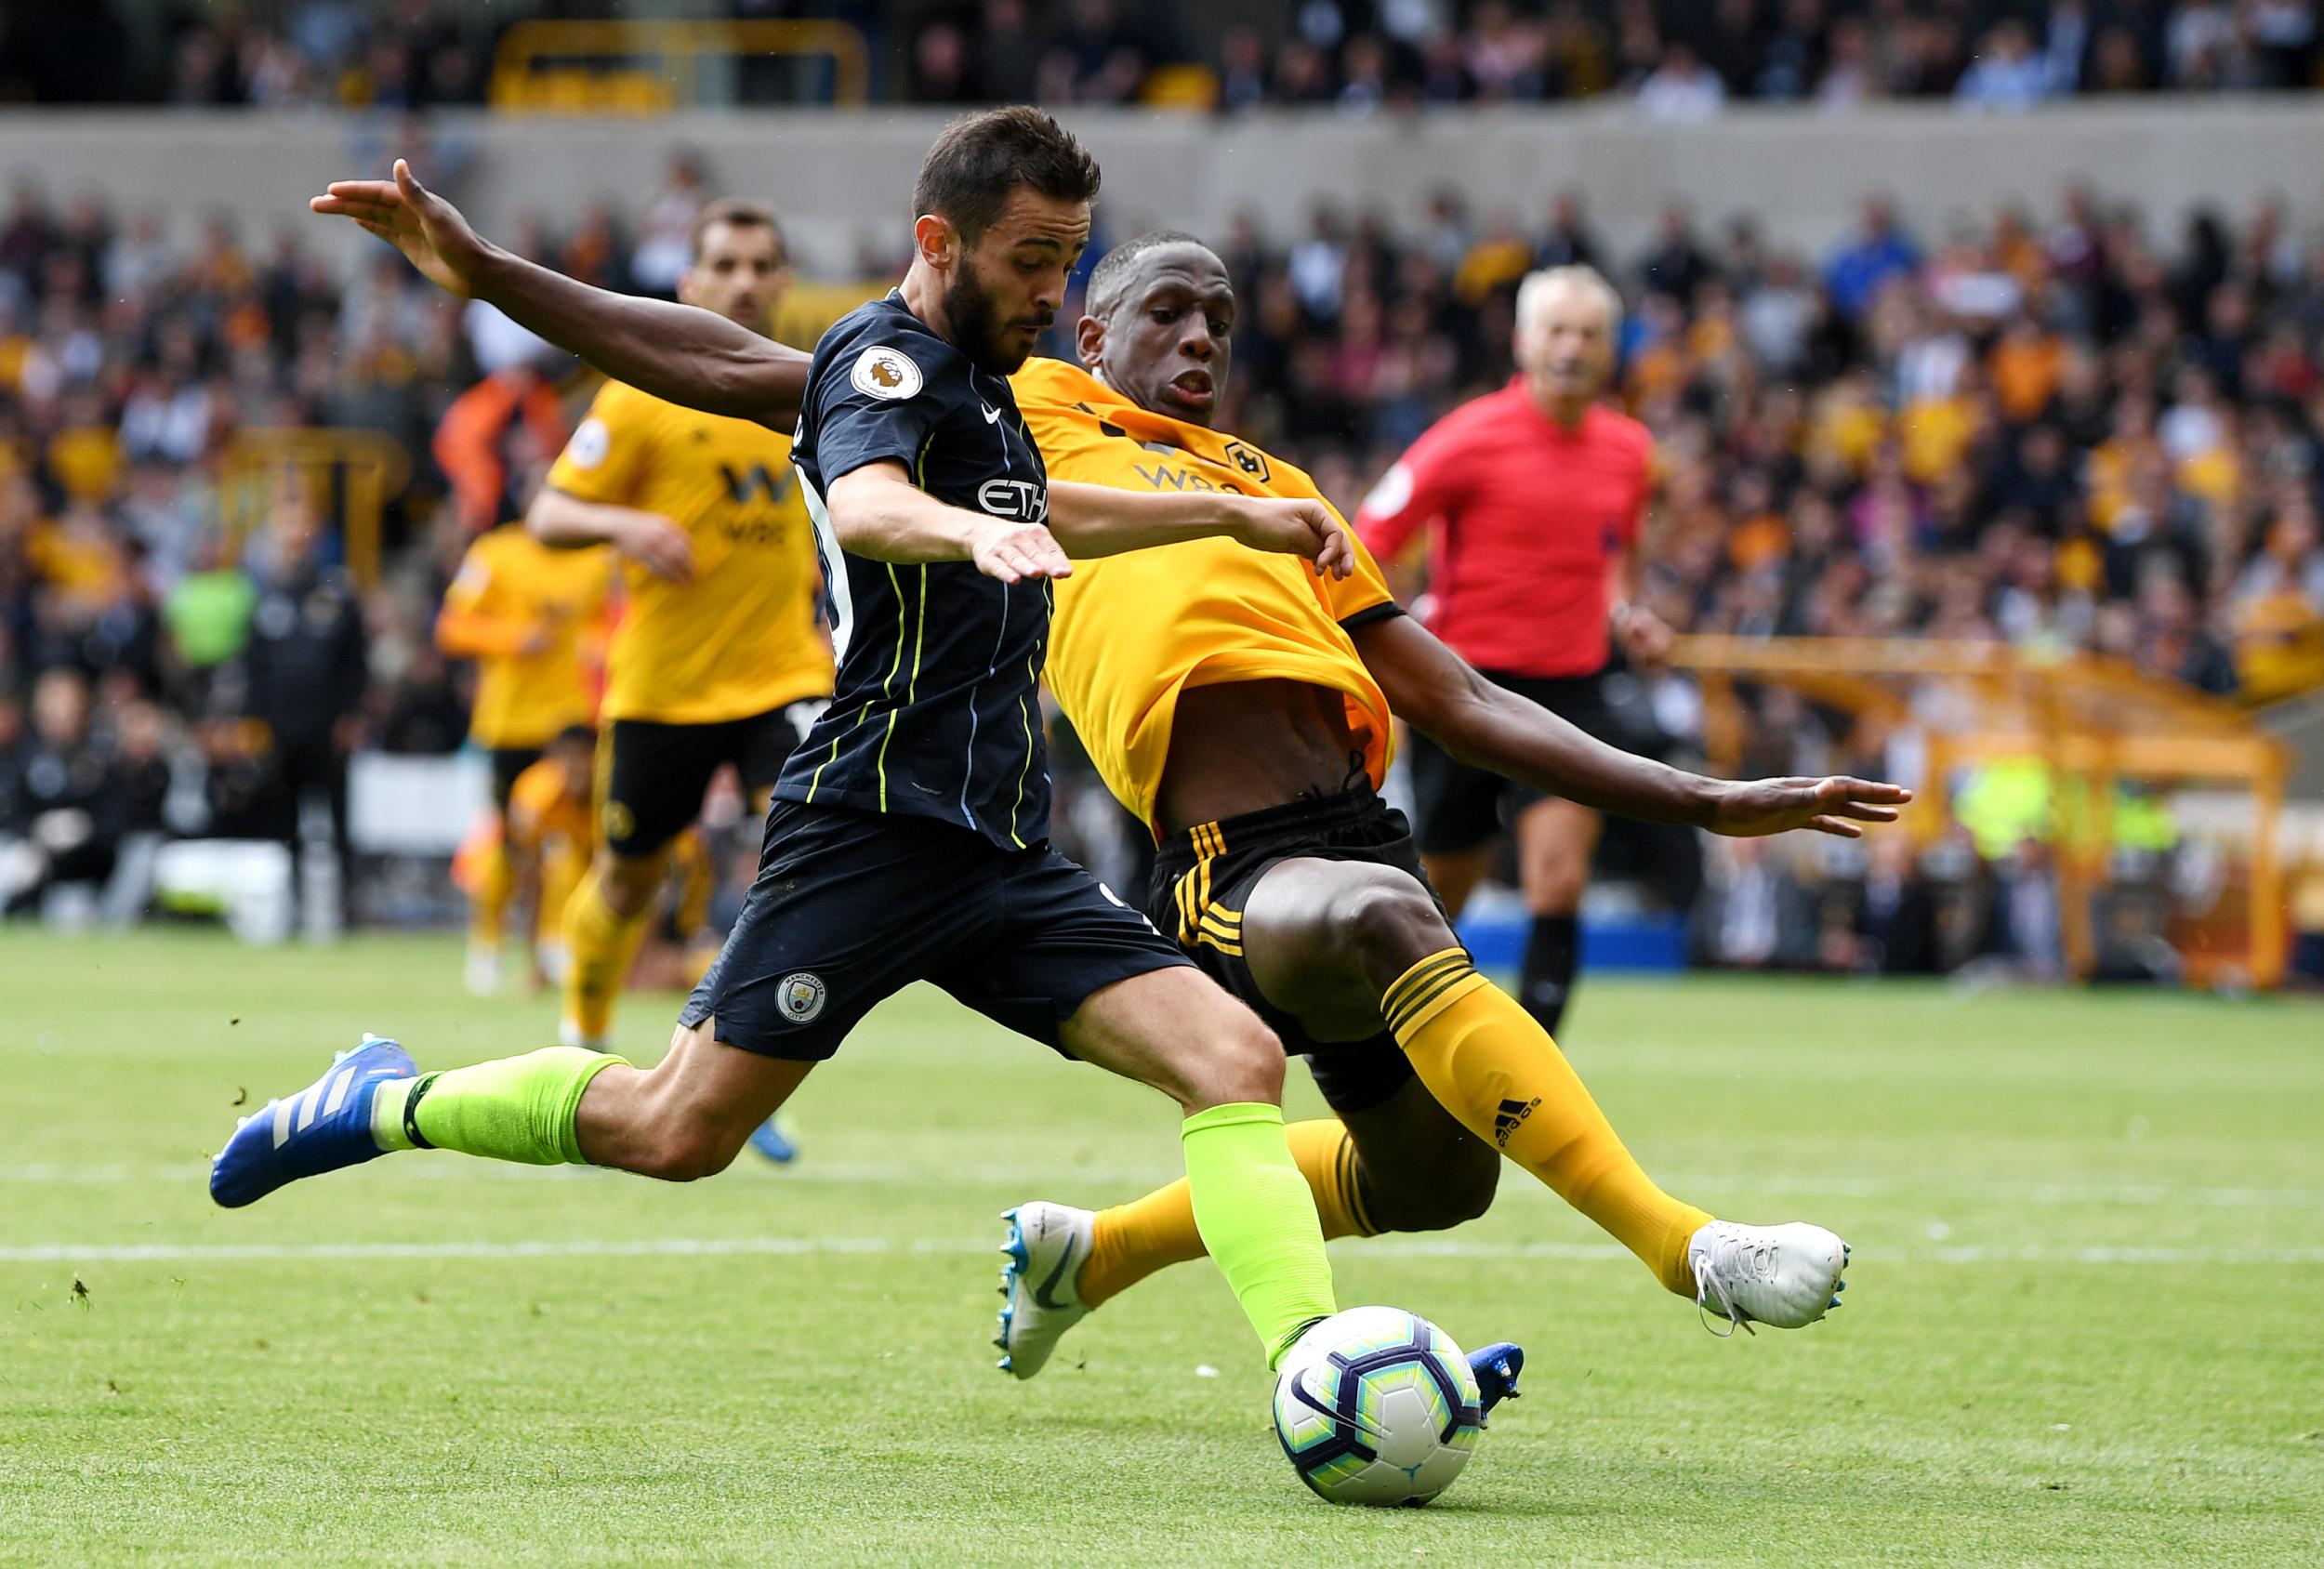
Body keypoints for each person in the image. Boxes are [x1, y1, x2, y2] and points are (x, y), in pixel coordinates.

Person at [223, 111, 1524, 1400]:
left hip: (1003, 849)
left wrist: (1221, 516)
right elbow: (869, 501)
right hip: (874, 824)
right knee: (677, 1130)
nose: (1052, 290)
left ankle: (1311, 1366)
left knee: (1232, 1059)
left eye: (1069, 260)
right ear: (937, 242)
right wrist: (965, 537)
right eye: (1030, 260)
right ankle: (384, 1100)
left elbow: (895, 438)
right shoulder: (886, 365)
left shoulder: (987, 385)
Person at [990, 233, 1903, 1373]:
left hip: (1357, 837)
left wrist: (1706, 800)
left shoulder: (1276, 487)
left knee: (1437, 1180)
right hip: (1226, 866)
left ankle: (1090, 1251)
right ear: (1089, 335)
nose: (1198, 338)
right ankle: (1687, 1246)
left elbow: (1459, 695)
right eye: (1167, 311)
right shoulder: (1027, 414)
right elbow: (833, 382)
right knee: (1385, 913)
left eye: (1218, 320)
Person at [523, 198, 832, 1063]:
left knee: (810, 851)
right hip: (663, 688)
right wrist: (625, 528)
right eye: (725, 265)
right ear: (688, 281)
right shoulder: (638, 398)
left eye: (760, 265)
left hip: (784, 676)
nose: (744, 280)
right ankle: (580, 1045)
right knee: (627, 880)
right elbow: (546, 514)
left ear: (782, 282)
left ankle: (730, 1054)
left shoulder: (816, 393)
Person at [1354, 265, 1666, 1043]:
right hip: (1463, 690)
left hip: (1572, 689)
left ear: (1610, 350)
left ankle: (1528, 1081)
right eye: (1557, 331)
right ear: (1524, 342)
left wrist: (1627, 610)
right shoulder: (1468, 436)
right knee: (1442, 893)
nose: (1573, 347)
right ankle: (1404, 1050)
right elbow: (1373, 533)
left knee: (1558, 884)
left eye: (1589, 333)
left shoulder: (1629, 450)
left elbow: (1617, 554)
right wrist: (1393, 632)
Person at [433, 511, 608, 995]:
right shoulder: (495, 554)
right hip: (508, 726)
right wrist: (513, 639)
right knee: (508, 847)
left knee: (572, 843)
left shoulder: (595, 557)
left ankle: (555, 948)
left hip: (570, 728)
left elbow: (609, 627)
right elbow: (452, 628)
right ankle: (488, 946)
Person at [242, 495, 368, 936]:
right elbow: (254, 666)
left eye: (301, 527)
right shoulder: (264, 594)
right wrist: (255, 721)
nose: (293, 537)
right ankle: (291, 912)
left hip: (329, 728)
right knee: (285, 824)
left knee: (338, 823)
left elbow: (356, 660)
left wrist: (351, 715)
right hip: (282, 730)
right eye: (285, 528)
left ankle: (345, 913)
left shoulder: (336, 591)